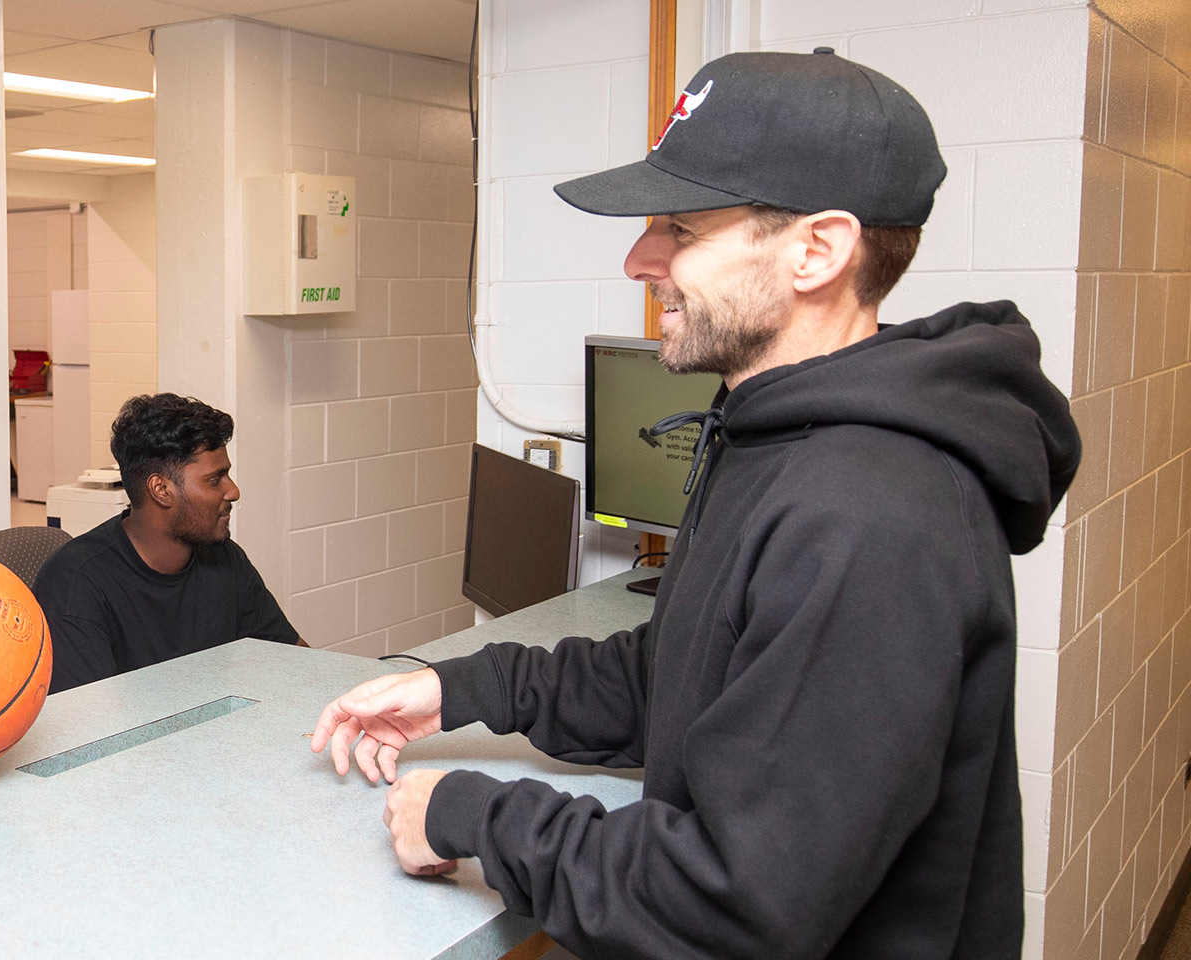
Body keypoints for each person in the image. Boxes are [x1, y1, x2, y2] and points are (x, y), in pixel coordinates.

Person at [309, 50, 1079, 958]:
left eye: (680, 227)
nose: (640, 259)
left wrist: (470, 814)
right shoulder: (773, 431)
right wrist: (461, 688)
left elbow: (738, 904)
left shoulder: (873, 514)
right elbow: (685, 671)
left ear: (818, 251)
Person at [33, 393, 302, 693]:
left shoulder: (224, 558)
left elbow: (294, 660)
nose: (233, 491)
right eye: (215, 480)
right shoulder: (76, 584)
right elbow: (90, 727)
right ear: (161, 489)